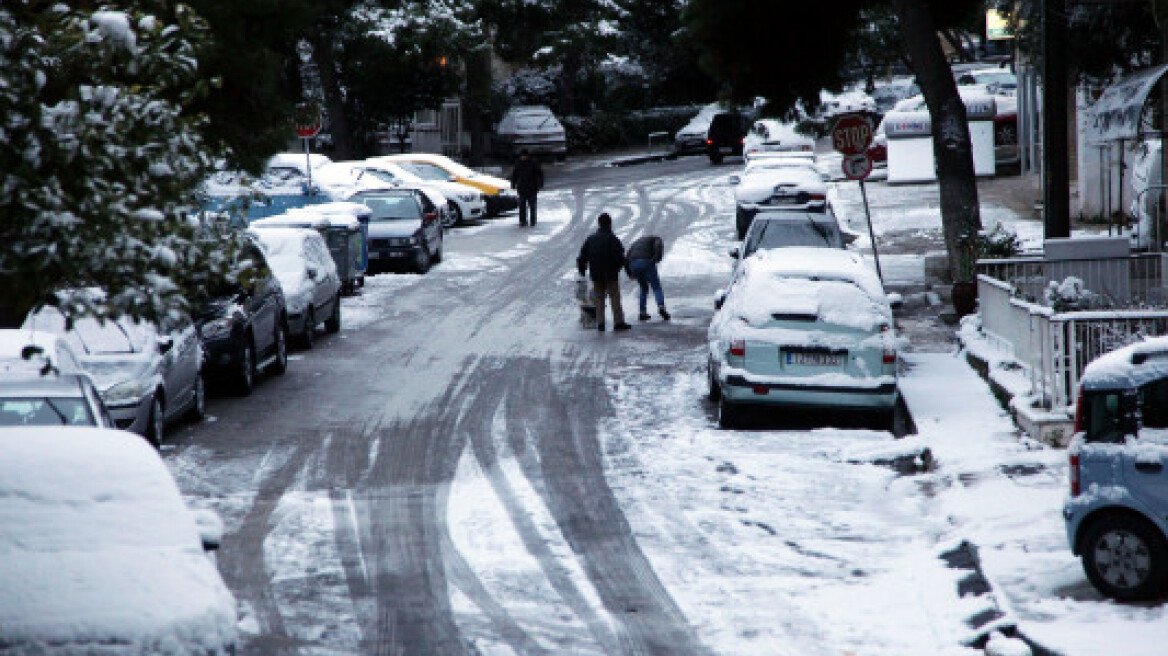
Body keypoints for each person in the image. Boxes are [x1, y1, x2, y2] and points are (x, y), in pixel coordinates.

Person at [577, 213, 631, 332]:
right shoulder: (613, 239)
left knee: (599, 298)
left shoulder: (590, 239)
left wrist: (582, 270)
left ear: (599, 224)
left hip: (596, 274)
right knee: (615, 297)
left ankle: (600, 322)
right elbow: (620, 257)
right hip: (611, 274)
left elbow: (582, 257)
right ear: (610, 224)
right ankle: (618, 322)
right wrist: (623, 269)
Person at [625, 234, 670, 321]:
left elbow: (627, 257)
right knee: (656, 287)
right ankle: (661, 307)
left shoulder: (636, 243)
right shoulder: (657, 238)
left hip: (633, 264)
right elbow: (658, 246)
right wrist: (656, 259)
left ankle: (642, 312)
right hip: (646, 261)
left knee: (643, 288)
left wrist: (629, 272)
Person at [509, 149, 544, 227]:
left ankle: (533, 220)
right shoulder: (518, 163)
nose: (523, 158)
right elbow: (515, 174)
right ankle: (522, 221)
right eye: (522, 156)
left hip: (532, 187)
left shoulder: (533, 163)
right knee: (522, 205)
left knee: (532, 205)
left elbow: (539, 174)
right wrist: (513, 184)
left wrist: (540, 184)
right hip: (522, 188)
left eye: (524, 156)